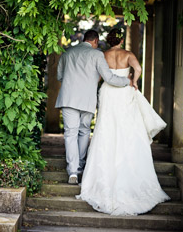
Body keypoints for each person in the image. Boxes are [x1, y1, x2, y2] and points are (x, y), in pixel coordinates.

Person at [77, 28, 170, 215]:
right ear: (121, 40)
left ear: (109, 40)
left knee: (106, 128)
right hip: (124, 91)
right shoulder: (128, 54)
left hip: (108, 92)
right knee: (127, 128)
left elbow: (100, 76)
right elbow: (139, 69)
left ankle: (100, 179)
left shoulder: (102, 55)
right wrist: (134, 81)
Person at [55, 29, 130, 185]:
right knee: (83, 132)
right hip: (87, 100)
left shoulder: (68, 52)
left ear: (84, 39)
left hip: (69, 98)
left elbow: (59, 76)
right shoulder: (97, 55)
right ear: (95, 41)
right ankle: (80, 167)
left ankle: (73, 172)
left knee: (70, 134)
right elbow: (108, 77)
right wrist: (126, 82)